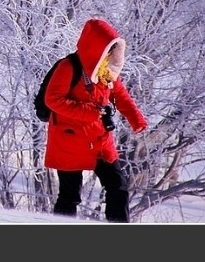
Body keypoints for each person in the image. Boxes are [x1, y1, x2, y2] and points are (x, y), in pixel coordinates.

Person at [43, 18, 148, 222]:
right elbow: (52, 99)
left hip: (99, 140)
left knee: (118, 187)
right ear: (96, 47)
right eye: (107, 50)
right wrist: (90, 112)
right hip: (69, 140)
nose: (110, 55)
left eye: (112, 51)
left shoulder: (105, 72)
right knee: (69, 196)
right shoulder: (68, 66)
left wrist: (137, 119)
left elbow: (120, 95)